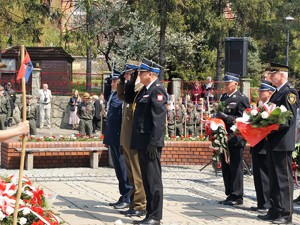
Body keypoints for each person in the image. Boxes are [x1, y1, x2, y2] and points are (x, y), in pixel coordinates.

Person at [125, 58, 167, 225]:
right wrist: (130, 78)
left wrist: (154, 142)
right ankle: (149, 214)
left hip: (150, 144)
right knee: (147, 180)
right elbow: (128, 97)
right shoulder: (144, 90)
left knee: (154, 180)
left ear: (150, 74)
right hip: (142, 142)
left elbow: (158, 121)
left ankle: (156, 216)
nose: (139, 75)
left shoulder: (157, 91)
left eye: (141, 73)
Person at [258, 63, 299, 224]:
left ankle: (286, 214)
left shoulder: (289, 93)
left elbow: (287, 119)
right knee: (274, 177)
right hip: (273, 141)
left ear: (281, 75)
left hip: (282, 142)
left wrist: (270, 126)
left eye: (272, 74)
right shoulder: (277, 93)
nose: (270, 77)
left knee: (284, 179)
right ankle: (275, 209)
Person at [117, 61, 146, 217]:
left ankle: (141, 205)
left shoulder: (139, 89)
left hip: (133, 138)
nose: (127, 75)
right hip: (126, 137)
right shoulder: (130, 88)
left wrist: (130, 82)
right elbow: (121, 96)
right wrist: (122, 82)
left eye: (129, 73)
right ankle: (134, 203)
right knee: (130, 174)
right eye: (126, 73)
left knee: (137, 174)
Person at [216, 72, 250, 206]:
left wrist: (226, 117)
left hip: (236, 137)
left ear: (236, 84)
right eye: (224, 84)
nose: (225, 86)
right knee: (226, 166)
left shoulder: (241, 98)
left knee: (236, 167)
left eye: (228, 84)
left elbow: (244, 120)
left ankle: (237, 196)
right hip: (224, 137)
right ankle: (229, 193)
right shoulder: (224, 97)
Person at [103, 70, 132, 210]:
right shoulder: (113, 95)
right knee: (118, 170)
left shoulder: (121, 97)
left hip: (119, 137)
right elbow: (106, 93)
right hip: (111, 137)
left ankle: (128, 196)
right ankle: (123, 195)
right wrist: (107, 83)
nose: (113, 83)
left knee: (123, 168)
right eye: (112, 81)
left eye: (116, 81)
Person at [250, 80, 275, 213]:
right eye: (259, 91)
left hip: (265, 145)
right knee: (258, 176)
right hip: (257, 144)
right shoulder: (260, 106)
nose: (259, 93)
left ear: (270, 92)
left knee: (265, 175)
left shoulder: (271, 106)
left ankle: (267, 203)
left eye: (262, 91)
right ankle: (261, 202)